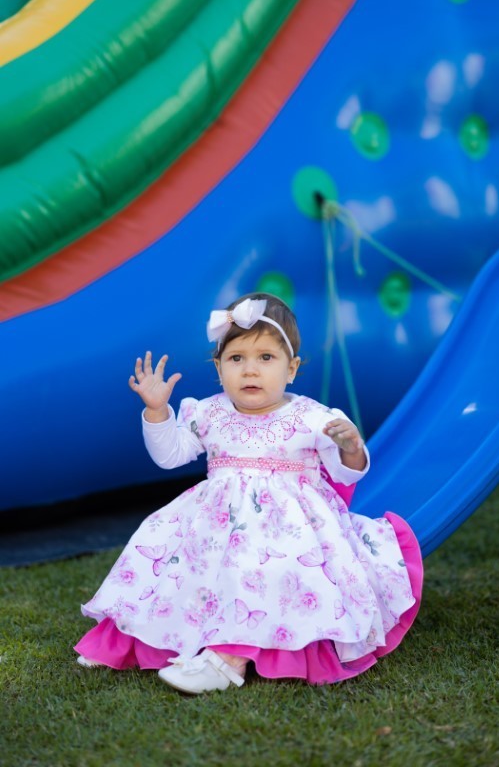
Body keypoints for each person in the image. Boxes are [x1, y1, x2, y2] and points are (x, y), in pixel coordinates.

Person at [75, 293, 423, 694]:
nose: (250, 370)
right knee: (169, 570)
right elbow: (169, 456)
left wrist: (350, 447)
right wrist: (156, 412)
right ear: (219, 368)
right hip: (216, 524)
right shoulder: (208, 412)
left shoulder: (312, 417)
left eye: (266, 358)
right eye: (236, 358)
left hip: (288, 530)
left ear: (291, 369)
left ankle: (227, 660)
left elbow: (347, 472)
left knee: (261, 572)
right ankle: (132, 640)